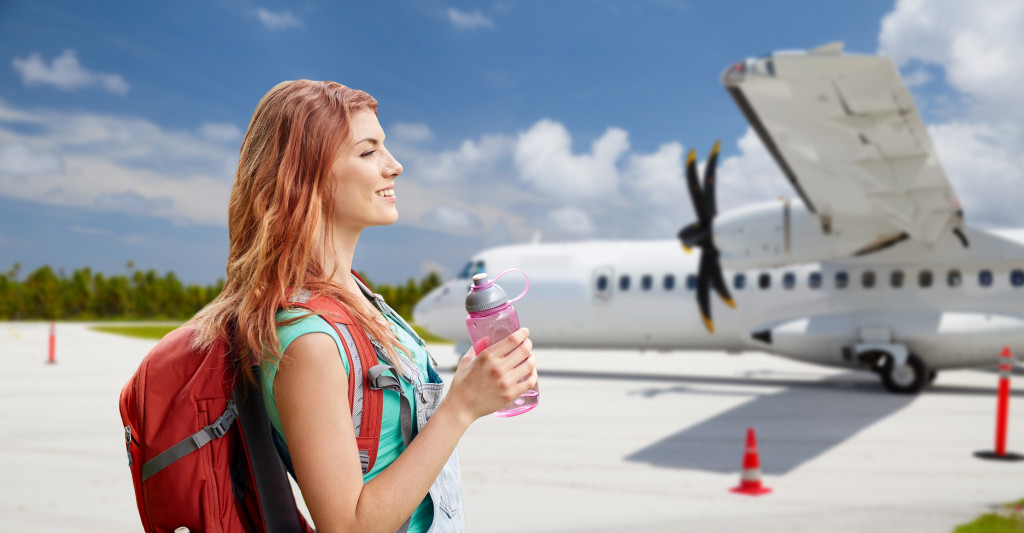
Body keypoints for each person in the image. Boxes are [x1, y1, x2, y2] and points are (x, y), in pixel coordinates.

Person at [189, 80, 537, 533]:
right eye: (368, 152)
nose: (395, 166)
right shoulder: (307, 340)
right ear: (306, 177)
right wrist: (462, 406)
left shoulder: (355, 295)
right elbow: (348, 525)